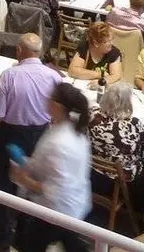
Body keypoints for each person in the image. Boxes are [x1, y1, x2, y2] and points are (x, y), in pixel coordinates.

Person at [0, 33, 60, 250]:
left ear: (18, 51)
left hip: (12, 135)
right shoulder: (53, 76)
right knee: (33, 186)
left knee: (3, 185)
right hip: (40, 136)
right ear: (40, 52)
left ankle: (0, 235)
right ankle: (26, 236)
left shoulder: (9, 76)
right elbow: (56, 112)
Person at [10, 83, 92, 252]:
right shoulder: (74, 131)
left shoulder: (60, 141)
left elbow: (57, 189)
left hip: (56, 209)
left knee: (31, 243)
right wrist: (25, 163)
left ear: (58, 106)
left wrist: (24, 179)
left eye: (50, 98)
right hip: (72, 205)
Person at [88, 83, 144, 210]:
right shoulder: (134, 123)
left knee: (143, 154)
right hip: (122, 178)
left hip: (94, 172)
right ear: (127, 104)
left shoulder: (92, 116)